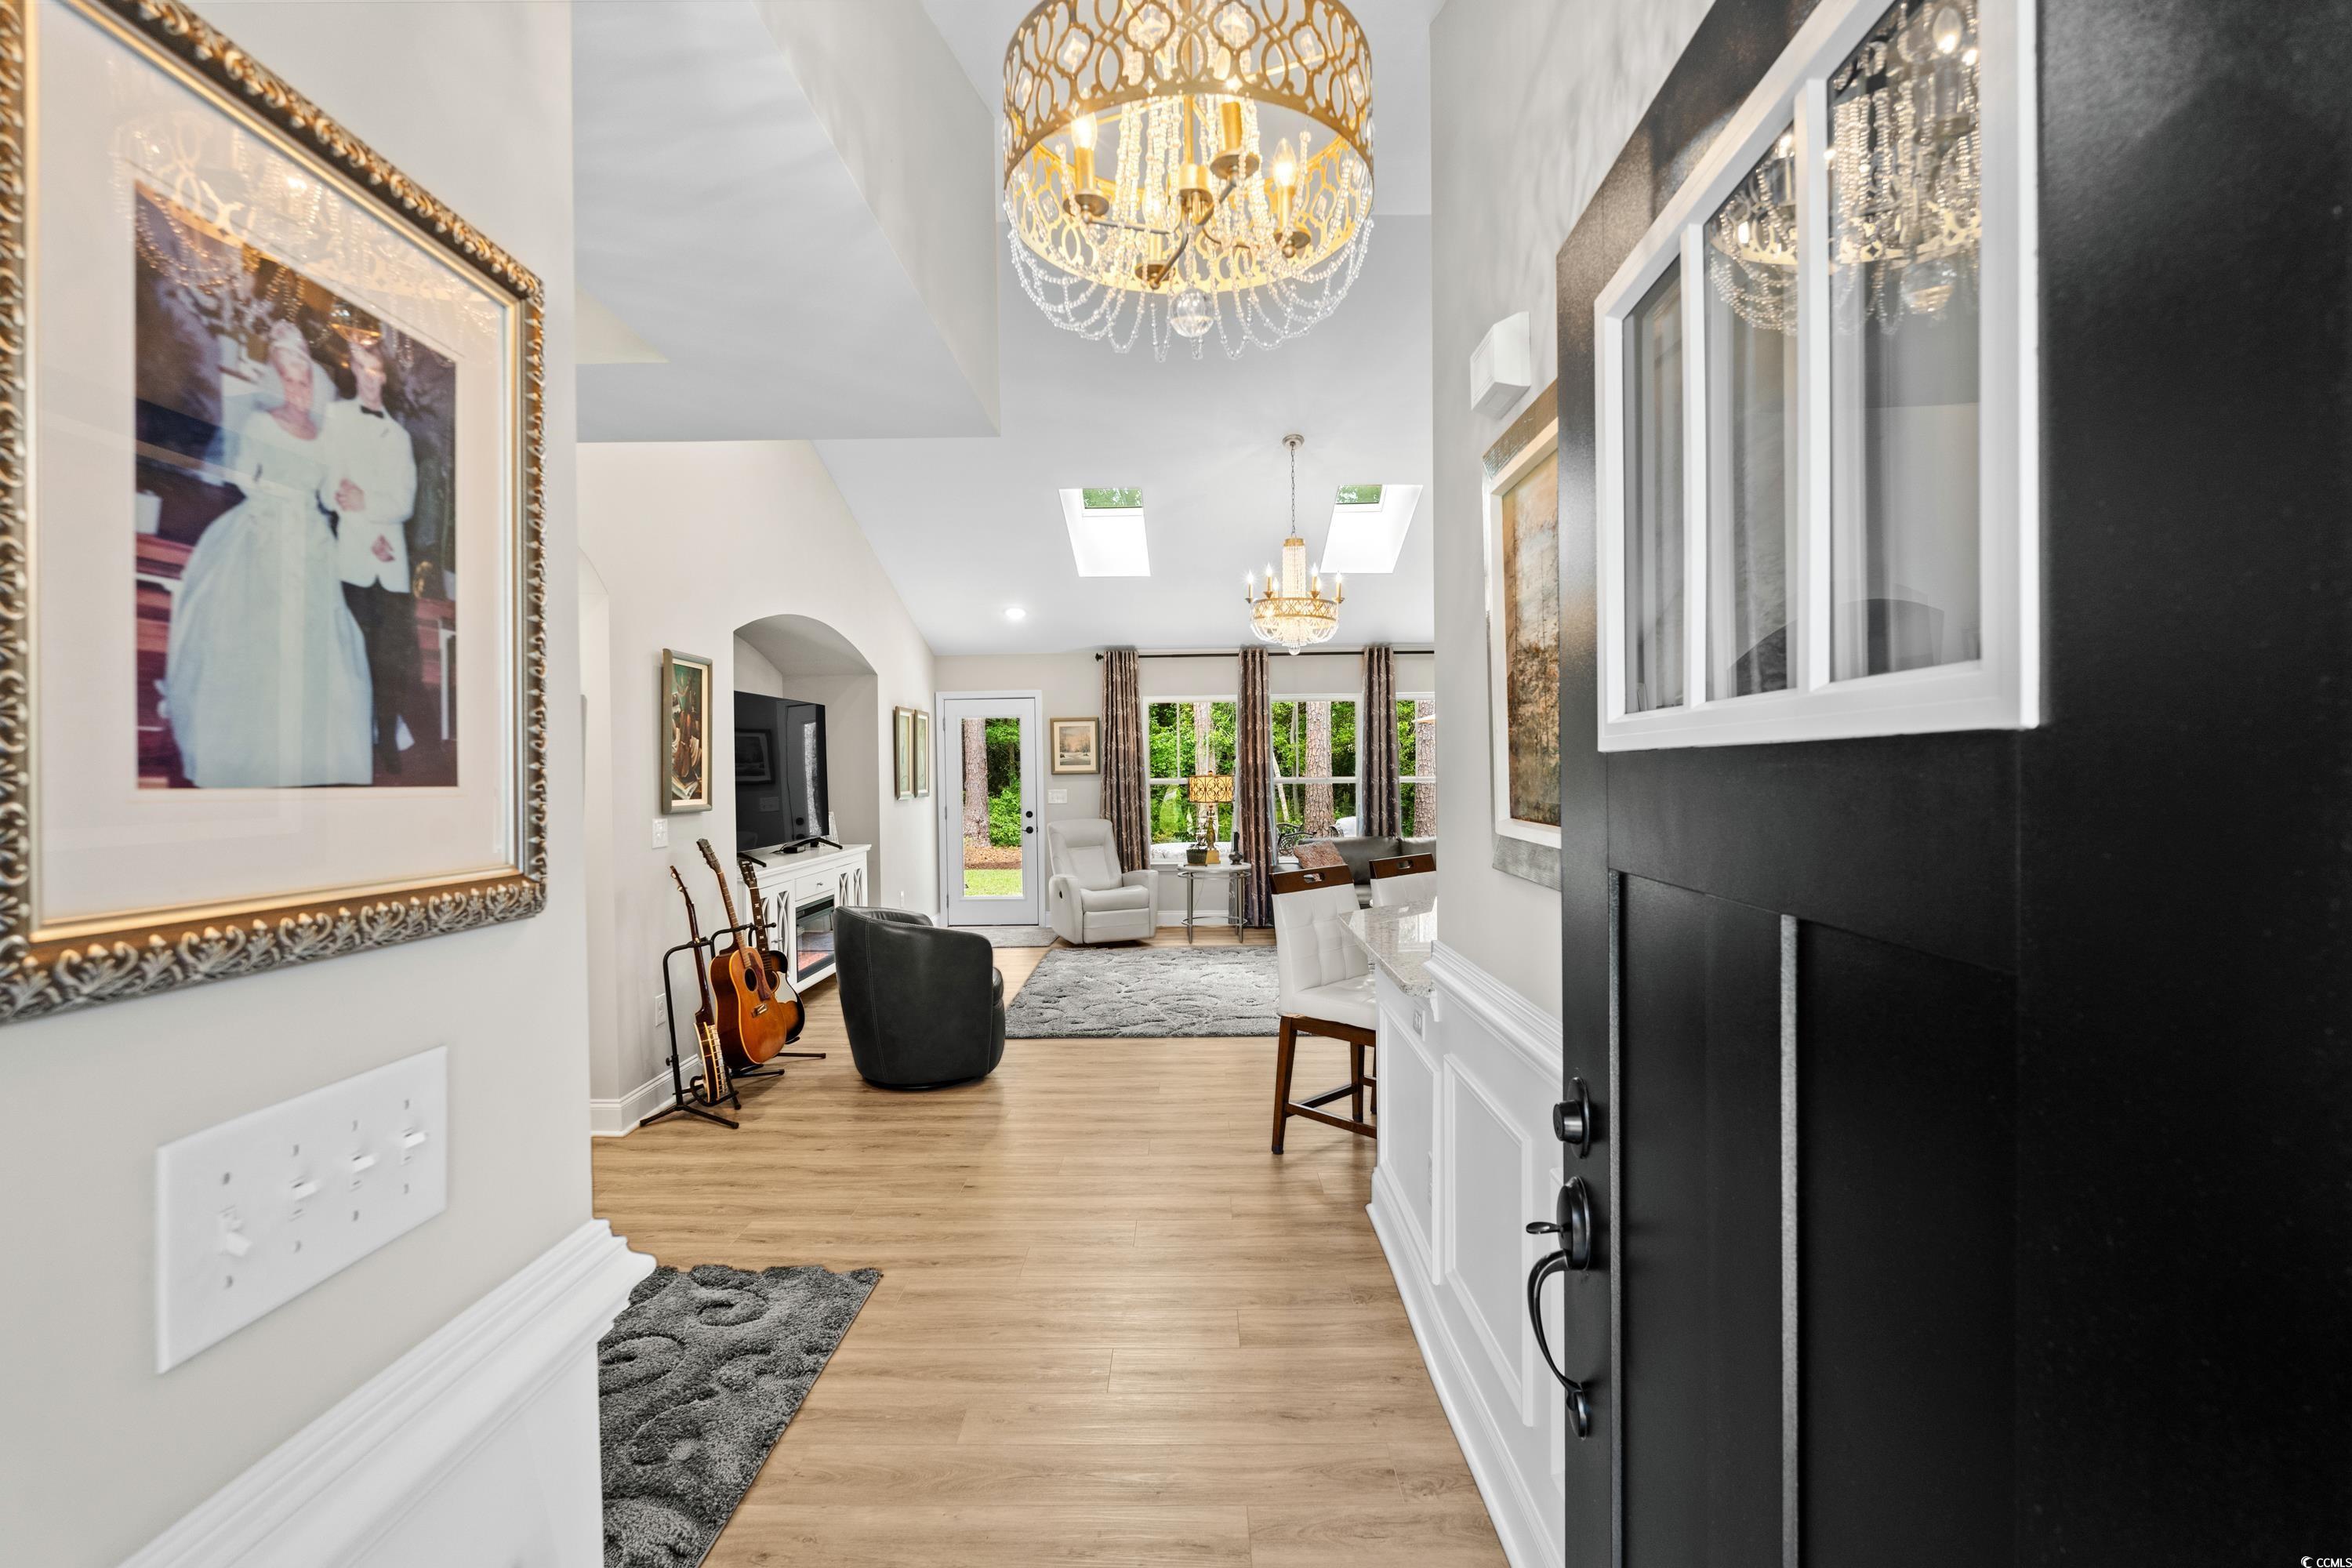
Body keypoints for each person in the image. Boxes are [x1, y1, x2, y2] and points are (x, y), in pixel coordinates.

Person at [164, 320, 372, 787]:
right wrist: (270, 502)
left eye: (304, 382)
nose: (297, 391)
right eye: (288, 381)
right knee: (258, 634)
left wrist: (349, 494)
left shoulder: (325, 435)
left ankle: (316, 755)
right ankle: (248, 753)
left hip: (314, 540)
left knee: (317, 637)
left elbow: (329, 488)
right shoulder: (260, 422)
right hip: (263, 529)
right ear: (275, 383)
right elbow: (241, 476)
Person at [319, 331, 424, 776]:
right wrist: (367, 527)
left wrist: (372, 511)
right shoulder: (336, 417)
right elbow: (329, 490)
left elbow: (403, 501)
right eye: (360, 368)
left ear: (385, 376)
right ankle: (353, 741)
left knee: (391, 661)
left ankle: (386, 739)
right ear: (352, 371)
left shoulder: (399, 436)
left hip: (391, 568)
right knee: (350, 656)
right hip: (353, 562)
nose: (368, 378)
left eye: (375, 369)